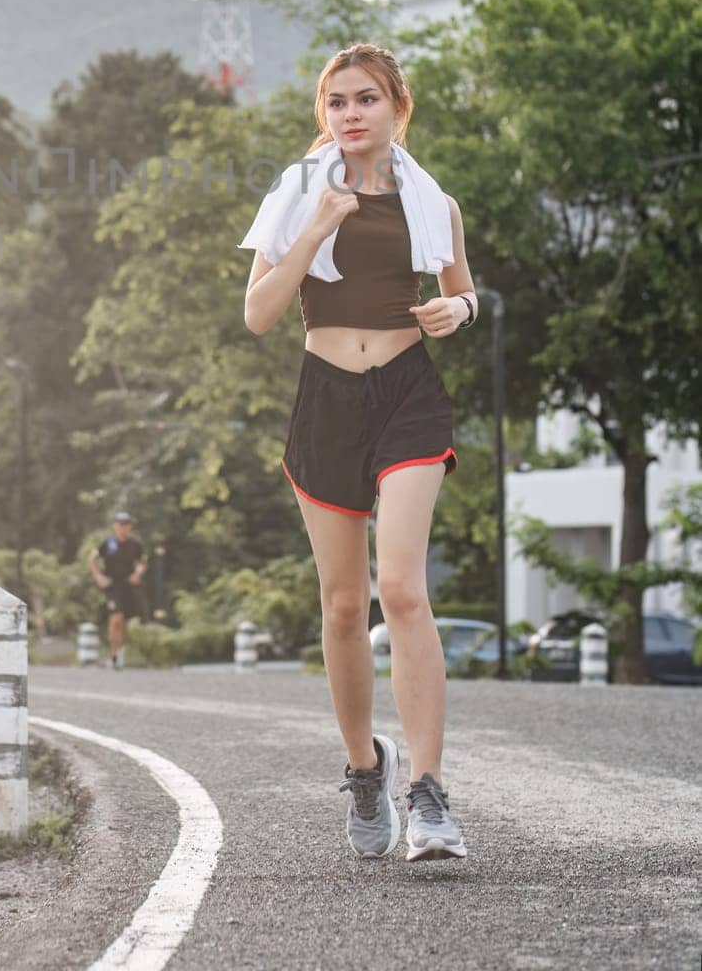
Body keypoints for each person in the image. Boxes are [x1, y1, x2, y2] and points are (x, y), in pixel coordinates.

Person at [240, 43, 476, 863]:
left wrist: (460, 310)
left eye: (364, 99)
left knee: (401, 589)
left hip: (407, 393)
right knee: (343, 605)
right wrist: (315, 229)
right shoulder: (298, 193)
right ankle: (364, 767)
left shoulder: (431, 200)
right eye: (335, 101)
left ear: (396, 108)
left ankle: (429, 794)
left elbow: (461, 288)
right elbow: (260, 314)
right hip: (326, 399)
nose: (348, 113)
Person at [89, 512, 147, 669]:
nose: (123, 528)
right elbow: (93, 558)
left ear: (130, 527)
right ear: (115, 526)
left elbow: (142, 561)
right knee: (116, 617)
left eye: (126, 525)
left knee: (122, 622)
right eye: (120, 524)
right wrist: (98, 576)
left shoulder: (135, 545)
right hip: (111, 585)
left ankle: (118, 653)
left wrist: (137, 573)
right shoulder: (108, 544)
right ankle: (113, 654)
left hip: (127, 586)